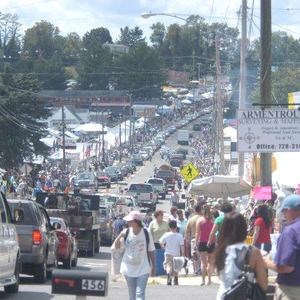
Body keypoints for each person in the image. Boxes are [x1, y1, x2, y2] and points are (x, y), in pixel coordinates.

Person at [215, 212, 268, 299]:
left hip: (224, 295)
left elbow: (220, 276)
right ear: (244, 229)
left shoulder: (220, 251)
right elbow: (263, 284)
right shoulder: (252, 252)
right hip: (244, 296)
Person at [264, 194, 300, 299]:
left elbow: (286, 268)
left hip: (292, 290)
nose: (284, 215)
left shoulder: (291, 231)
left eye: (284, 212)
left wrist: (265, 262)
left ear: (290, 210)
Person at [114, 210, 156, 300]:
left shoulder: (146, 233)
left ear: (136, 221)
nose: (128, 222)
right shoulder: (127, 232)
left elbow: (151, 251)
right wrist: (119, 236)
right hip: (128, 268)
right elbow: (117, 247)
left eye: (130, 221)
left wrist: (153, 267)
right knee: (132, 296)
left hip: (143, 268)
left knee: (140, 294)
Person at [159, 220, 184, 285]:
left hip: (168, 253)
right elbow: (182, 246)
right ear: (176, 227)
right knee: (176, 267)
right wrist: (183, 254)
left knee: (168, 265)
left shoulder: (166, 234)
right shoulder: (179, 236)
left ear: (169, 227)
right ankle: (176, 279)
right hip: (177, 253)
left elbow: (161, 241)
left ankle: (169, 277)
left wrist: (163, 247)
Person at [195, 205, 215, 285]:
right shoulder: (212, 220)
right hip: (211, 242)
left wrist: (196, 242)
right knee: (210, 262)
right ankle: (209, 280)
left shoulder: (200, 221)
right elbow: (214, 233)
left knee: (203, 263)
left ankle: (203, 280)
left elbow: (197, 233)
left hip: (202, 242)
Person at [184, 202, 204, 275]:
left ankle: (196, 271)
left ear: (194, 210)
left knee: (195, 256)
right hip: (203, 239)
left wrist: (187, 241)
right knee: (203, 256)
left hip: (194, 239)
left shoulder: (191, 219)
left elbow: (187, 232)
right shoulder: (204, 219)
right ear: (201, 209)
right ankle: (202, 270)